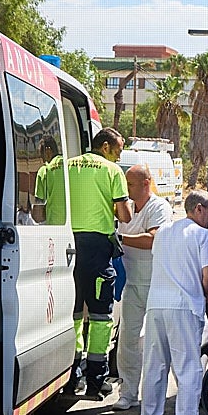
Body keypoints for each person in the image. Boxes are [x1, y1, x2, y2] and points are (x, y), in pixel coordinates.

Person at [138, 190, 208, 415]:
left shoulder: (163, 233)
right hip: (184, 307)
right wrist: (206, 295)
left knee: (155, 364)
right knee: (187, 369)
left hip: (156, 305)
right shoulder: (203, 236)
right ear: (198, 209)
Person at [64, 127, 132, 399]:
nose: (119, 155)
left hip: (67, 246)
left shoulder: (65, 167)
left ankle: (71, 375)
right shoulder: (112, 172)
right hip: (96, 251)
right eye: (118, 149)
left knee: (74, 317)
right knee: (101, 317)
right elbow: (125, 216)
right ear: (105, 147)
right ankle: (96, 380)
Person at [111, 164, 173, 411]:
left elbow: (153, 239)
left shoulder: (159, 207)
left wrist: (119, 238)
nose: (126, 190)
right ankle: (127, 393)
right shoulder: (123, 207)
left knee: (155, 342)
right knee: (127, 339)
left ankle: (155, 396)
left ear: (146, 184)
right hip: (130, 283)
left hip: (156, 284)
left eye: (131, 185)